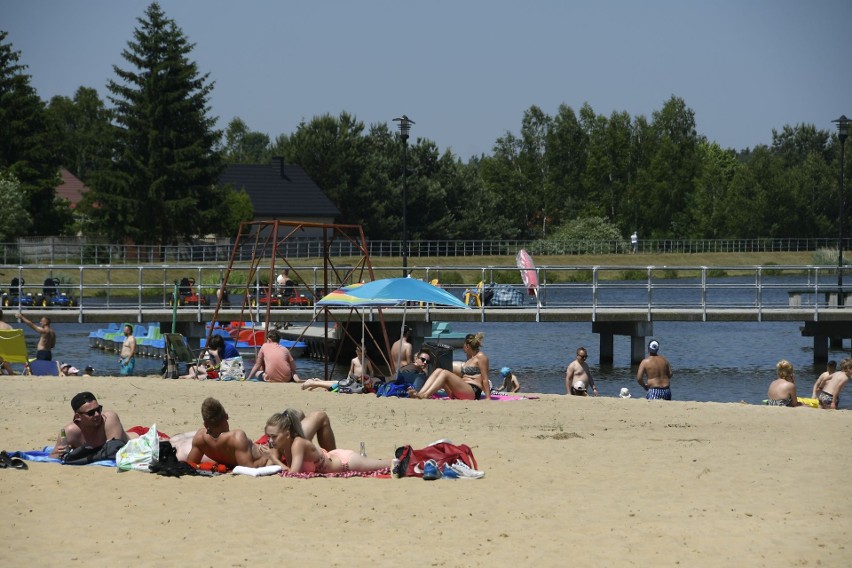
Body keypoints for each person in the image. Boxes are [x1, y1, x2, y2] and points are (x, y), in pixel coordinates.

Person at [177, 397, 337, 466]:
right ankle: (336, 458)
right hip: (278, 448)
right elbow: (250, 468)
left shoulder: (199, 438)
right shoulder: (236, 437)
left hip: (265, 444)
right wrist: (270, 455)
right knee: (320, 416)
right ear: (226, 416)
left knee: (298, 414)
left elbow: (192, 464)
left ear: (205, 423)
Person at [264, 409, 390, 474]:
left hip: (346, 463)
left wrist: (273, 458)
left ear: (287, 434)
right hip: (335, 456)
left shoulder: (297, 443)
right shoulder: (284, 445)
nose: (270, 440)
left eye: (273, 436)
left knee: (388, 465)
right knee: (378, 463)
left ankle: (405, 459)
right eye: (269, 436)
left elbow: (293, 474)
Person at [409, 333, 490, 401]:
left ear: (467, 346)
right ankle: (420, 393)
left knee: (445, 373)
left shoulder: (481, 356)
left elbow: (485, 378)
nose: (463, 347)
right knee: (438, 370)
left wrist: (488, 397)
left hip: (472, 391)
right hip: (462, 390)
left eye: (464, 345)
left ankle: (426, 395)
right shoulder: (469, 358)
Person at [49, 391, 130, 459]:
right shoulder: (70, 432)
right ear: (78, 417)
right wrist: (60, 454)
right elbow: (53, 455)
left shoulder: (109, 418)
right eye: (91, 413)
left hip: (135, 437)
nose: (97, 414)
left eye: (98, 409)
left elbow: (114, 449)